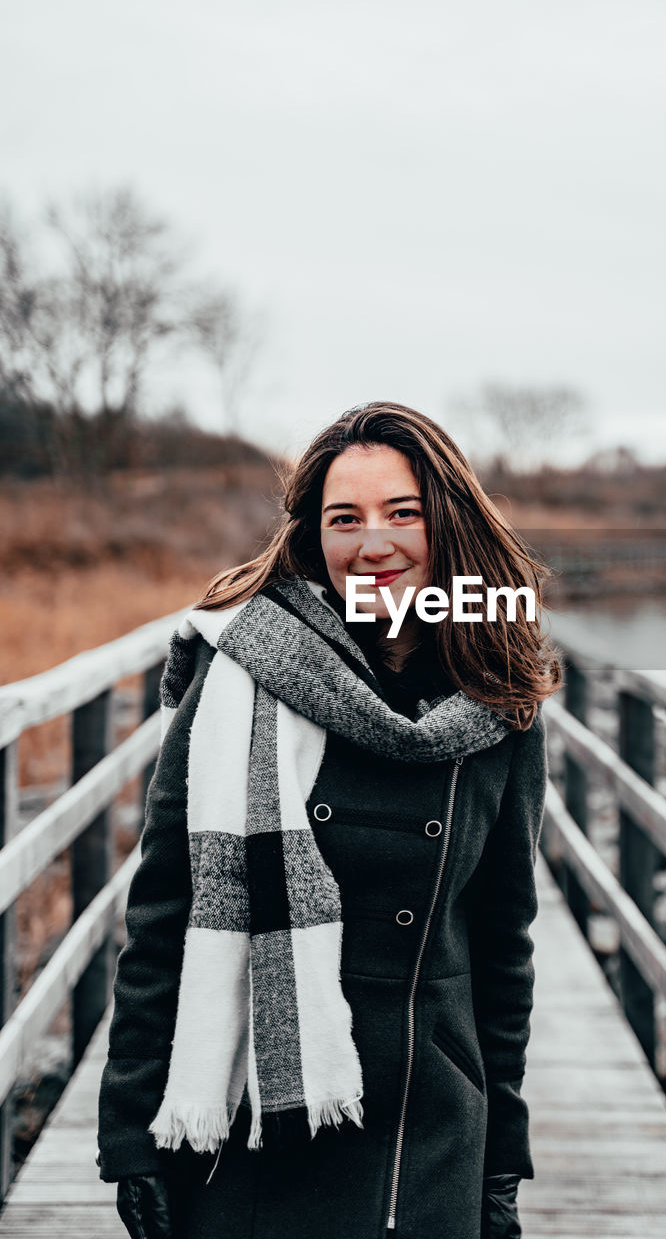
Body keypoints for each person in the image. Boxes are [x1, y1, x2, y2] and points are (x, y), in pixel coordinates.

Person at [97, 400, 562, 1239]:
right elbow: (164, 909)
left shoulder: (499, 704)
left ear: (448, 526)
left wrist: (502, 1160)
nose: (370, 543)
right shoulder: (241, 677)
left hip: (427, 1134)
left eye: (402, 513)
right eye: (343, 518)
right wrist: (130, 1134)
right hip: (254, 1123)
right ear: (313, 535)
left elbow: (502, 946)